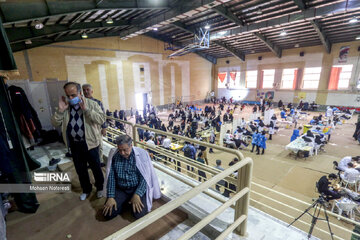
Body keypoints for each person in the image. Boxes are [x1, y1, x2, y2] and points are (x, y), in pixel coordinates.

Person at [51, 82, 105, 200]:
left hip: (90, 143)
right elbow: (55, 123)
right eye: (68, 96)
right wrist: (60, 111)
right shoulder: (65, 107)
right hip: (75, 145)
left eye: (73, 95)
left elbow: (101, 119)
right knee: (80, 170)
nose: (70, 98)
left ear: (80, 93)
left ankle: (100, 187)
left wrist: (86, 110)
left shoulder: (92, 104)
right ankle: (86, 189)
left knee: (96, 168)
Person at [103, 135, 161, 220]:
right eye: (120, 150)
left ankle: (129, 200)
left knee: (139, 214)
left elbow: (145, 178)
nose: (122, 153)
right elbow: (111, 177)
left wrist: (137, 194)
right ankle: (126, 201)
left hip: (136, 188)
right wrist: (111, 196)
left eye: (125, 150)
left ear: (131, 145)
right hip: (121, 189)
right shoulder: (115, 155)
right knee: (108, 213)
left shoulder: (141, 155)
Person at [82, 83, 107, 164]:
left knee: (99, 145)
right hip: (86, 128)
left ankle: (100, 161)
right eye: (84, 90)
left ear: (91, 91)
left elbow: (102, 116)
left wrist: (104, 128)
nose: (86, 91)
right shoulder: (81, 103)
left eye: (87, 90)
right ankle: (90, 162)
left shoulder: (97, 102)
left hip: (97, 127)